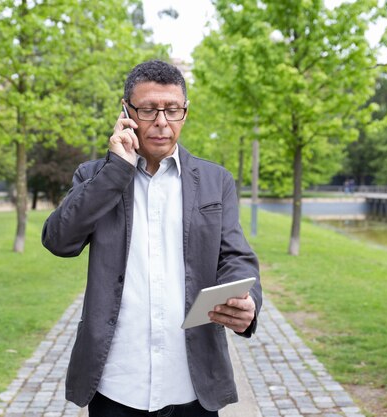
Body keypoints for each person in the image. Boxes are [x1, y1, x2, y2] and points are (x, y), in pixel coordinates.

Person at [42, 59, 262, 417]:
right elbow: (59, 240)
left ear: (185, 114)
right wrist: (117, 170)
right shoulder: (94, 176)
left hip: (193, 380)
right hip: (116, 382)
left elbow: (235, 256)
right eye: (148, 110)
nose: (161, 122)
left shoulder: (215, 180)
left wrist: (246, 299)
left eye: (172, 110)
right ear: (126, 112)